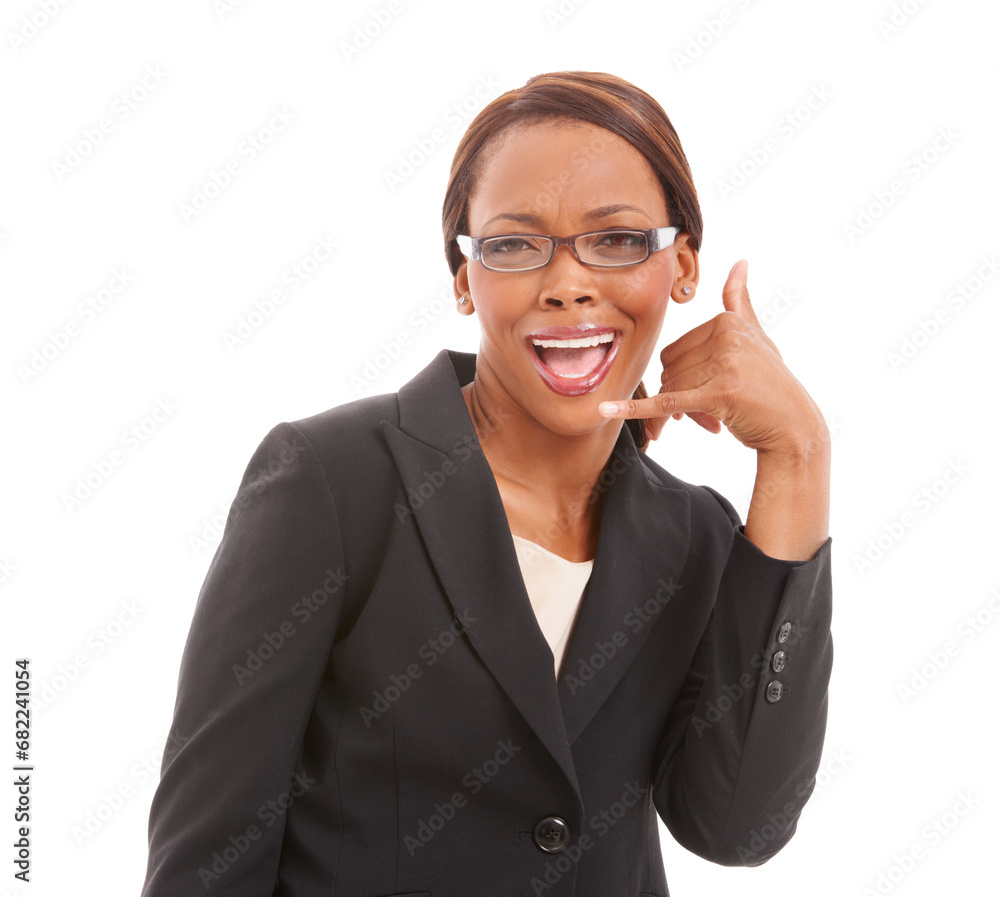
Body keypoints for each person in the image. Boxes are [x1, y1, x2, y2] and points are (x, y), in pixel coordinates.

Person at [140, 71, 832, 897]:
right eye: (513, 245)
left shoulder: (695, 537)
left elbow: (737, 826)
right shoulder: (332, 484)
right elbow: (206, 864)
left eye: (616, 239)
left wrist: (799, 454)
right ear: (465, 279)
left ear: (681, 266)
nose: (567, 282)